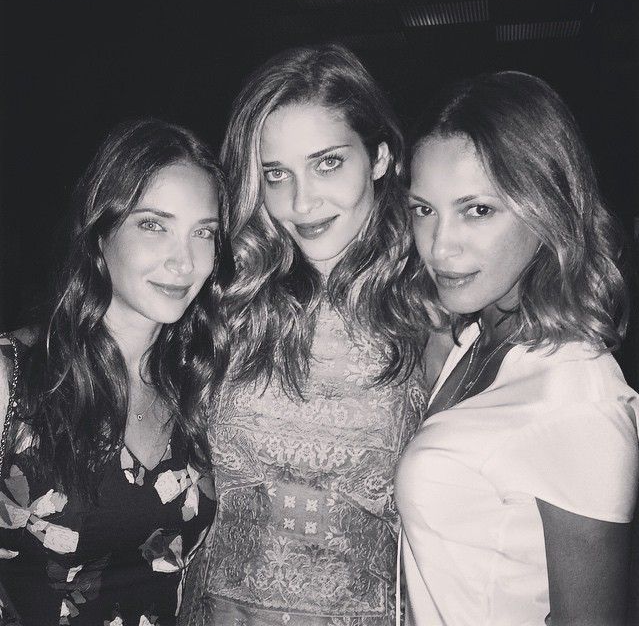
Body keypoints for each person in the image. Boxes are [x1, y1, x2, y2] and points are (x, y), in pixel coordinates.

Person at [178, 44, 437, 626]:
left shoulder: (430, 309)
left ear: (379, 158)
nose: (301, 202)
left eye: (327, 164)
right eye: (276, 174)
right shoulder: (225, 298)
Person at [395, 70, 639, 625]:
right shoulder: (477, 340)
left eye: (477, 210)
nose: (439, 246)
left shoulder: (577, 395)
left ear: (546, 208)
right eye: (423, 209)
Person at [0, 118, 232, 626]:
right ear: (100, 233)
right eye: (154, 225)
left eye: (203, 233)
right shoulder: (14, 377)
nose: (184, 262)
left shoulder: (197, 382)